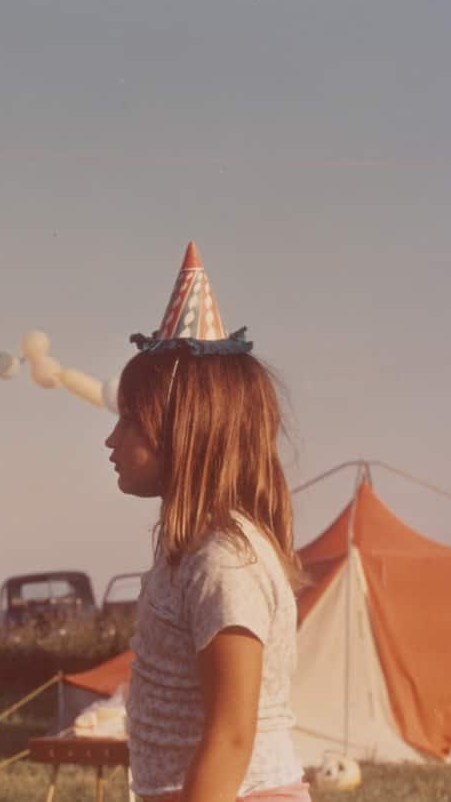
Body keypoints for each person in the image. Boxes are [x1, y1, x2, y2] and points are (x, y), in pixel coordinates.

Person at [104, 242, 311, 802]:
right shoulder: (193, 553)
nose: (111, 440)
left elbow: (232, 734)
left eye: (129, 423)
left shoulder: (224, 561)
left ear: (186, 432)